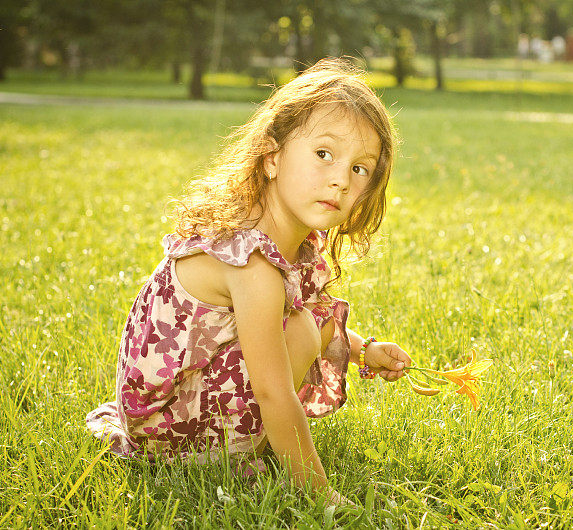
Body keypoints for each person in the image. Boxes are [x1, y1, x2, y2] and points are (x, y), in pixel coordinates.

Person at [85, 57, 412, 506]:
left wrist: (365, 349)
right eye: (323, 154)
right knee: (297, 329)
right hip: (168, 438)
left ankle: (244, 443)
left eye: (360, 168)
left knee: (302, 320)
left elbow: (311, 314)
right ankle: (240, 459)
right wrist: (324, 497)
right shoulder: (252, 263)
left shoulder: (282, 241)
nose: (339, 179)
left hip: (169, 410)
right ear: (272, 158)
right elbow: (273, 391)